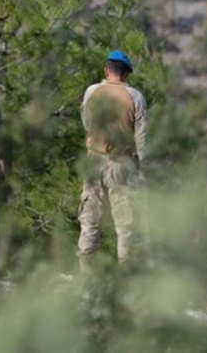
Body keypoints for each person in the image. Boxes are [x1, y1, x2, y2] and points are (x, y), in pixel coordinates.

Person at [77, 50, 148, 267]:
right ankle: (126, 276)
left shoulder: (92, 91)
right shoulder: (135, 97)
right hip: (121, 163)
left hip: (94, 159)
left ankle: (87, 276)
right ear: (126, 74)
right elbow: (142, 136)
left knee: (90, 218)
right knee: (125, 224)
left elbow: (86, 121)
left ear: (106, 70)